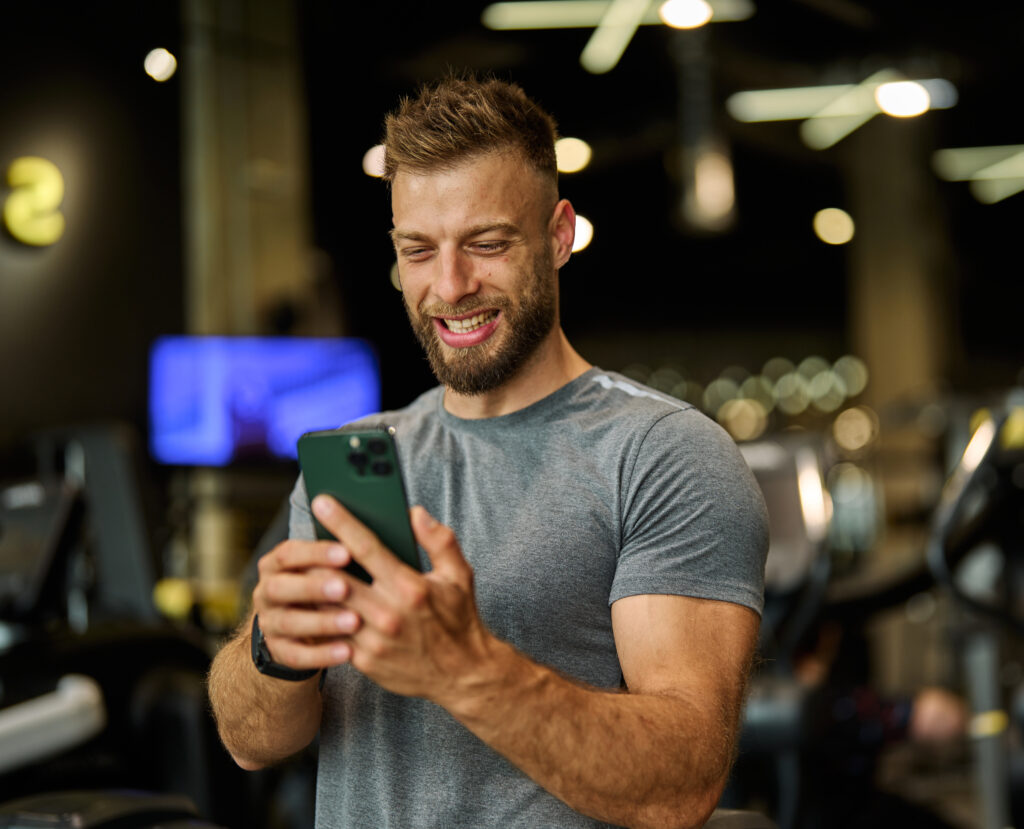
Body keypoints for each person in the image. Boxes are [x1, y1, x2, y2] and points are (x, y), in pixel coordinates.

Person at [208, 75, 769, 829]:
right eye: (419, 250)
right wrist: (273, 648)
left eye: (487, 242)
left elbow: (682, 780)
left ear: (559, 235)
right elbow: (251, 741)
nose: (450, 285)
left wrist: (464, 668)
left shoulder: (664, 455)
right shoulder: (354, 458)